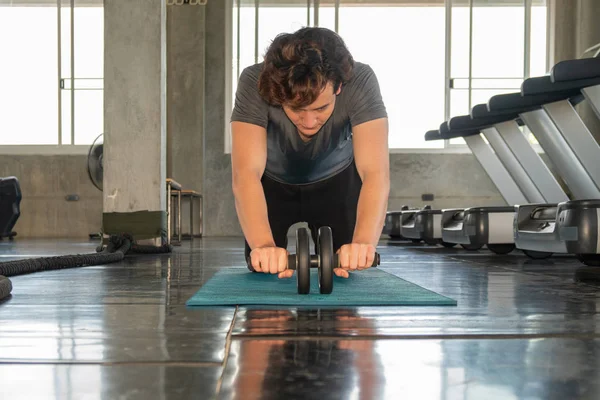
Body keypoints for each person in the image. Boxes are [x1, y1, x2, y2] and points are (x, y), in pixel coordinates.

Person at [230, 27, 389, 279]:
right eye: (296, 109)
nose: (309, 121)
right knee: (262, 268)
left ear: (338, 87)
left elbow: (375, 173)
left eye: (320, 108)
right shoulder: (254, 81)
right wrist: (263, 246)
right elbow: (246, 174)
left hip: (336, 182)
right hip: (273, 184)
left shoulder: (361, 81)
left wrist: (363, 243)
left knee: (346, 270)